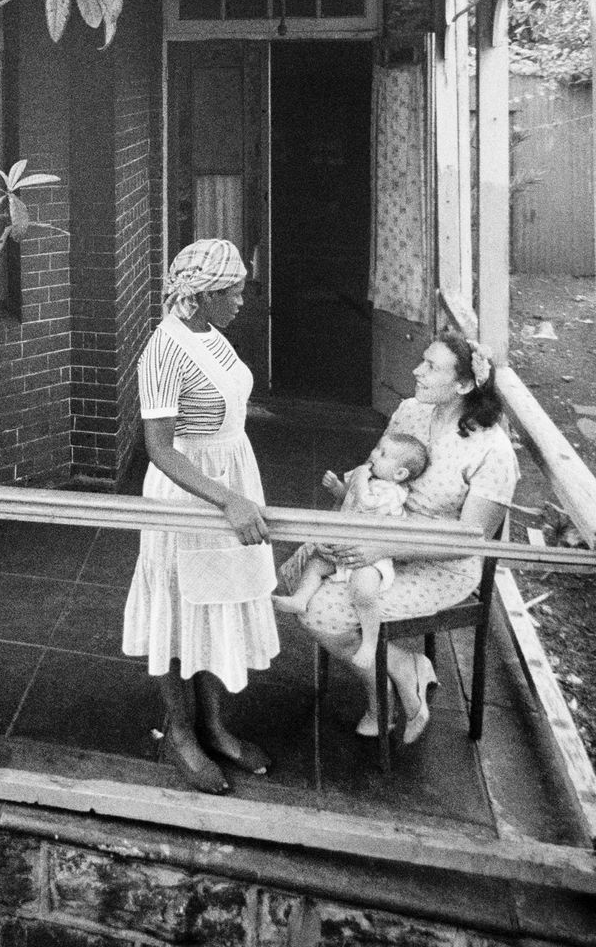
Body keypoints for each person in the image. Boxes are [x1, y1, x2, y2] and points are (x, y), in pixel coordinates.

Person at [282, 331, 518, 746]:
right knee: (300, 568)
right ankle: (404, 665)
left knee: (323, 614)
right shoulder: (411, 411)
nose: (416, 371)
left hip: (440, 562)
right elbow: (380, 467)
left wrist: (384, 547)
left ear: (464, 385)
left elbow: (469, 541)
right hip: (383, 531)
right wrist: (351, 493)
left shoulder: (493, 452)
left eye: (430, 367)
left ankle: (383, 697)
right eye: (421, 361)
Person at [122, 238, 279, 794]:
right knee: (175, 602)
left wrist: (238, 483)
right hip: (188, 492)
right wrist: (227, 498)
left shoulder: (211, 334)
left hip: (229, 476)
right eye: (233, 293)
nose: (241, 301)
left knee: (220, 600)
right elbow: (161, 449)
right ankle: (181, 730)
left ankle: (214, 725)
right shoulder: (161, 351)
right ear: (205, 294)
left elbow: (225, 405)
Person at [273, 429, 429, 670]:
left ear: (399, 473)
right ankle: (300, 599)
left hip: (372, 557)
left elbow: (366, 506)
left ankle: (369, 642)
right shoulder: (370, 481)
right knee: (315, 563)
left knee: (364, 591)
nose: (374, 454)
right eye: (377, 448)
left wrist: (358, 480)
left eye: (383, 453)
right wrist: (338, 487)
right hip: (345, 548)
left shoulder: (392, 492)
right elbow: (350, 499)